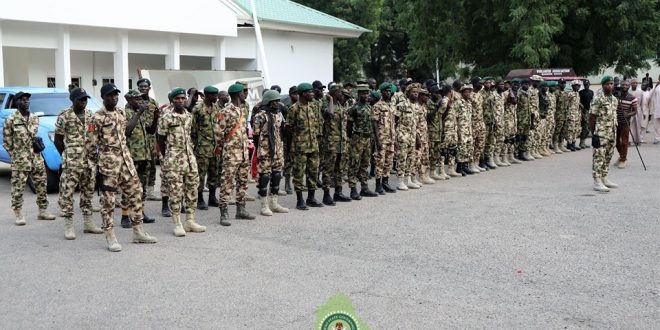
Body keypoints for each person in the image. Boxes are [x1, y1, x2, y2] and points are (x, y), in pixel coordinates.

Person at [87, 84, 157, 252]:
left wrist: (138, 114)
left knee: (136, 193)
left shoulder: (120, 113)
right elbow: (90, 147)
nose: (114, 97)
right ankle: (110, 235)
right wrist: (96, 168)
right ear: (103, 97)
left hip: (126, 161)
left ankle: (138, 232)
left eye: (116, 95)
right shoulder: (96, 118)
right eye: (110, 95)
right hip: (108, 166)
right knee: (109, 201)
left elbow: (127, 132)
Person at [54, 88, 104, 239]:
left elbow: (94, 136)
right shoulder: (64, 116)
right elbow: (58, 140)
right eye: (80, 99)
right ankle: (69, 226)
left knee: (88, 192)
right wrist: (67, 154)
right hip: (72, 162)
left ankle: (88, 223)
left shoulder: (90, 115)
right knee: (68, 193)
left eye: (85, 99)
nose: (83, 102)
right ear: (73, 100)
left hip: (89, 160)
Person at [158, 88, 206, 236]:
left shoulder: (188, 116)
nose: (181, 100)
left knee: (192, 189)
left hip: (189, 159)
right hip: (173, 160)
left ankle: (190, 220)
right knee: (175, 192)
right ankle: (177, 223)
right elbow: (160, 139)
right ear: (172, 100)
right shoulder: (166, 117)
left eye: (183, 98)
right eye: (177, 98)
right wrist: (168, 156)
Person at [3, 91, 56, 226]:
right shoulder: (11, 120)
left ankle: (43, 211)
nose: (26, 101)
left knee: (42, 184)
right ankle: (18, 213)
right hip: (20, 159)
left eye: (27, 99)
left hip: (36, 157)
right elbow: (7, 142)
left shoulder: (34, 118)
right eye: (23, 100)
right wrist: (15, 156)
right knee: (18, 187)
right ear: (17, 103)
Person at [215, 84, 256, 224]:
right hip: (231, 153)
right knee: (227, 182)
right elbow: (218, 133)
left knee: (243, 182)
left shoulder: (241, 110)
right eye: (243, 93)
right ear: (239, 94)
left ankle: (241, 209)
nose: (245, 94)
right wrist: (223, 149)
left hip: (243, 152)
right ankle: (224, 213)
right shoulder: (226, 111)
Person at [120, 90, 158, 228]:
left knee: (142, 187)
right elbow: (127, 131)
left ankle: (140, 212)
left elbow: (150, 131)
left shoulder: (140, 114)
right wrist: (139, 113)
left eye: (142, 99)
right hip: (131, 157)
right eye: (137, 99)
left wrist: (155, 117)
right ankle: (125, 215)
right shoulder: (125, 113)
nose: (141, 102)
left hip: (144, 155)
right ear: (129, 100)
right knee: (128, 186)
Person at [286, 83, 324, 210]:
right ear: (303, 94)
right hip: (299, 147)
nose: (313, 94)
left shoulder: (312, 106)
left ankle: (311, 198)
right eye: (310, 92)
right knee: (299, 173)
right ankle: (300, 200)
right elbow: (289, 128)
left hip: (313, 145)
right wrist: (294, 144)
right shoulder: (294, 109)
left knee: (313, 172)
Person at [252, 90, 289, 216]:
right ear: (268, 102)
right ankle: (264, 205)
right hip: (265, 150)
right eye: (275, 101)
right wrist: (260, 150)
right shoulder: (260, 116)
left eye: (278, 100)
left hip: (278, 149)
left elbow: (281, 131)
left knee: (277, 175)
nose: (277, 103)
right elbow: (256, 135)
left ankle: (274, 203)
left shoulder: (278, 114)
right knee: (265, 177)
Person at [320, 84, 352, 203]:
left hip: (342, 143)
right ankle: (326, 194)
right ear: (333, 93)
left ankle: (338, 192)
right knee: (328, 169)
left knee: (340, 169)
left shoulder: (341, 105)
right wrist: (331, 100)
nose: (342, 95)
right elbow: (330, 114)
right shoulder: (327, 105)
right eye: (339, 93)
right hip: (331, 143)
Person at [191, 86, 221, 210]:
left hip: (215, 147)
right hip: (202, 147)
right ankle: (199, 199)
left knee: (214, 173)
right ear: (208, 95)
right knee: (201, 174)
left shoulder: (217, 108)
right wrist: (194, 145)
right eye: (214, 95)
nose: (216, 97)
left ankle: (212, 198)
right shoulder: (198, 109)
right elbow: (193, 128)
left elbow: (220, 124)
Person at [347, 84, 378, 199]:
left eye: (367, 93)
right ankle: (353, 189)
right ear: (359, 94)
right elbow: (349, 126)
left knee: (365, 164)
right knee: (354, 164)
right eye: (364, 93)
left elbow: (373, 124)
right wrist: (352, 138)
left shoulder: (370, 107)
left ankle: (364, 187)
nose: (366, 95)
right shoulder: (354, 108)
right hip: (357, 138)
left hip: (367, 138)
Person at [589, 76, 619, 192]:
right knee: (599, 157)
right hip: (600, 133)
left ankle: (604, 177)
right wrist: (594, 134)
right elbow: (592, 117)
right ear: (603, 85)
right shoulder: (598, 99)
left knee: (608, 155)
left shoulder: (615, 100)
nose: (610, 86)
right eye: (607, 84)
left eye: (611, 84)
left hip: (612, 132)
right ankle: (597, 181)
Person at [136, 78, 162, 201]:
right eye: (141, 87)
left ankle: (150, 190)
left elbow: (157, 121)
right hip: (138, 140)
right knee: (140, 165)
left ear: (149, 88)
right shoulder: (134, 102)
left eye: (145, 86)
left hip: (151, 138)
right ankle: (139, 190)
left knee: (152, 164)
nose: (143, 88)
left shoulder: (153, 103)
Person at [372, 82, 398, 193]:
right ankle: (378, 185)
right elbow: (374, 123)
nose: (388, 93)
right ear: (382, 92)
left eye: (389, 91)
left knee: (389, 161)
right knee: (380, 161)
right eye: (386, 91)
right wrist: (377, 139)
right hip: (381, 138)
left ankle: (385, 182)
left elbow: (395, 120)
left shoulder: (392, 105)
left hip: (391, 138)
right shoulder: (377, 105)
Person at [395, 83, 420, 190]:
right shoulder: (402, 105)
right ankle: (400, 181)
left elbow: (416, 124)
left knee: (411, 158)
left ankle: (408, 180)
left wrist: (417, 138)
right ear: (408, 93)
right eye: (413, 92)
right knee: (402, 159)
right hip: (403, 136)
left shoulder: (416, 106)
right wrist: (397, 135)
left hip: (412, 136)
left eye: (417, 92)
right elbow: (395, 120)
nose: (415, 94)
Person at [614, 80, 637, 169]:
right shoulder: (616, 96)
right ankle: (621, 156)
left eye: (627, 85)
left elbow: (635, 111)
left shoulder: (632, 98)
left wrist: (627, 114)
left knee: (624, 142)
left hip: (625, 123)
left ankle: (623, 159)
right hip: (616, 122)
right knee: (615, 142)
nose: (624, 86)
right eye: (623, 84)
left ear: (629, 86)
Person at [455, 84, 475, 175]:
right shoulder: (458, 103)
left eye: (469, 92)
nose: (468, 93)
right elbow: (455, 117)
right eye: (466, 92)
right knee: (461, 148)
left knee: (469, 147)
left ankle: (466, 166)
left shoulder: (469, 103)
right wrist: (457, 130)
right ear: (462, 93)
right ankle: (460, 167)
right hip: (461, 129)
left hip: (468, 129)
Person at [578, 80, 594, 149]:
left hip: (590, 111)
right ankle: (582, 142)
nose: (586, 86)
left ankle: (583, 141)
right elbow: (578, 101)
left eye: (587, 85)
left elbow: (592, 101)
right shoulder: (581, 92)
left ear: (589, 85)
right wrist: (581, 107)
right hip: (584, 111)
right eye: (585, 85)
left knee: (589, 128)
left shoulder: (591, 92)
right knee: (585, 127)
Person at [628, 79, 644, 144]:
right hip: (630, 110)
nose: (634, 84)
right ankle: (629, 140)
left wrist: (643, 112)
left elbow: (642, 102)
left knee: (638, 126)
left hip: (638, 110)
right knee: (630, 126)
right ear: (631, 84)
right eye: (633, 83)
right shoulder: (628, 91)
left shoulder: (640, 91)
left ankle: (638, 140)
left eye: (636, 83)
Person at [651, 76, 660, 144]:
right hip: (657, 108)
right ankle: (657, 138)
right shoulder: (656, 87)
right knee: (656, 125)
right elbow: (652, 98)